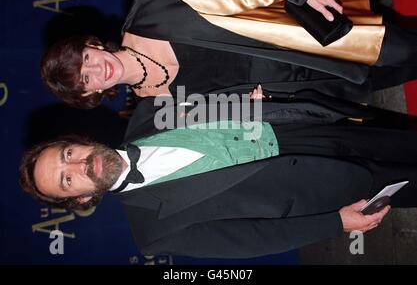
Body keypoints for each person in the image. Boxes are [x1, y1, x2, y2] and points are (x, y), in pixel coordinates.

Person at [19, 93, 417, 258]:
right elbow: (252, 240)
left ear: (79, 142)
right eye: (66, 179)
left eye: (67, 155)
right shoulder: (152, 233)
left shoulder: (144, 113)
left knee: (403, 140)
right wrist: (336, 221)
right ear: (81, 199)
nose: (78, 166)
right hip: (316, 188)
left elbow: (214, 97)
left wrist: (249, 97)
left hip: (303, 130)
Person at [40, 0, 417, 109]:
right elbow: (221, 111)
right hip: (303, 86)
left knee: (401, 47)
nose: (94, 69)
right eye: (85, 80)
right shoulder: (151, 103)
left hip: (302, 41)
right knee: (394, 73)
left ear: (92, 45)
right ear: (90, 95)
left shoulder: (147, 14)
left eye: (84, 59)